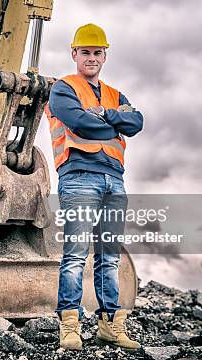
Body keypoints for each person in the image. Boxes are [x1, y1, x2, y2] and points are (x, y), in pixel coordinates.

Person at [45, 23, 144, 351]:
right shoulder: (63, 88)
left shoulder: (116, 94)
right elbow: (79, 122)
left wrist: (105, 114)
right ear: (74, 54)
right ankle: (69, 326)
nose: (91, 57)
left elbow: (137, 122)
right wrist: (111, 125)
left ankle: (110, 327)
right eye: (85, 52)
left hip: (114, 180)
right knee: (75, 254)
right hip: (78, 176)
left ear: (104, 55)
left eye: (96, 52)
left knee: (109, 257)